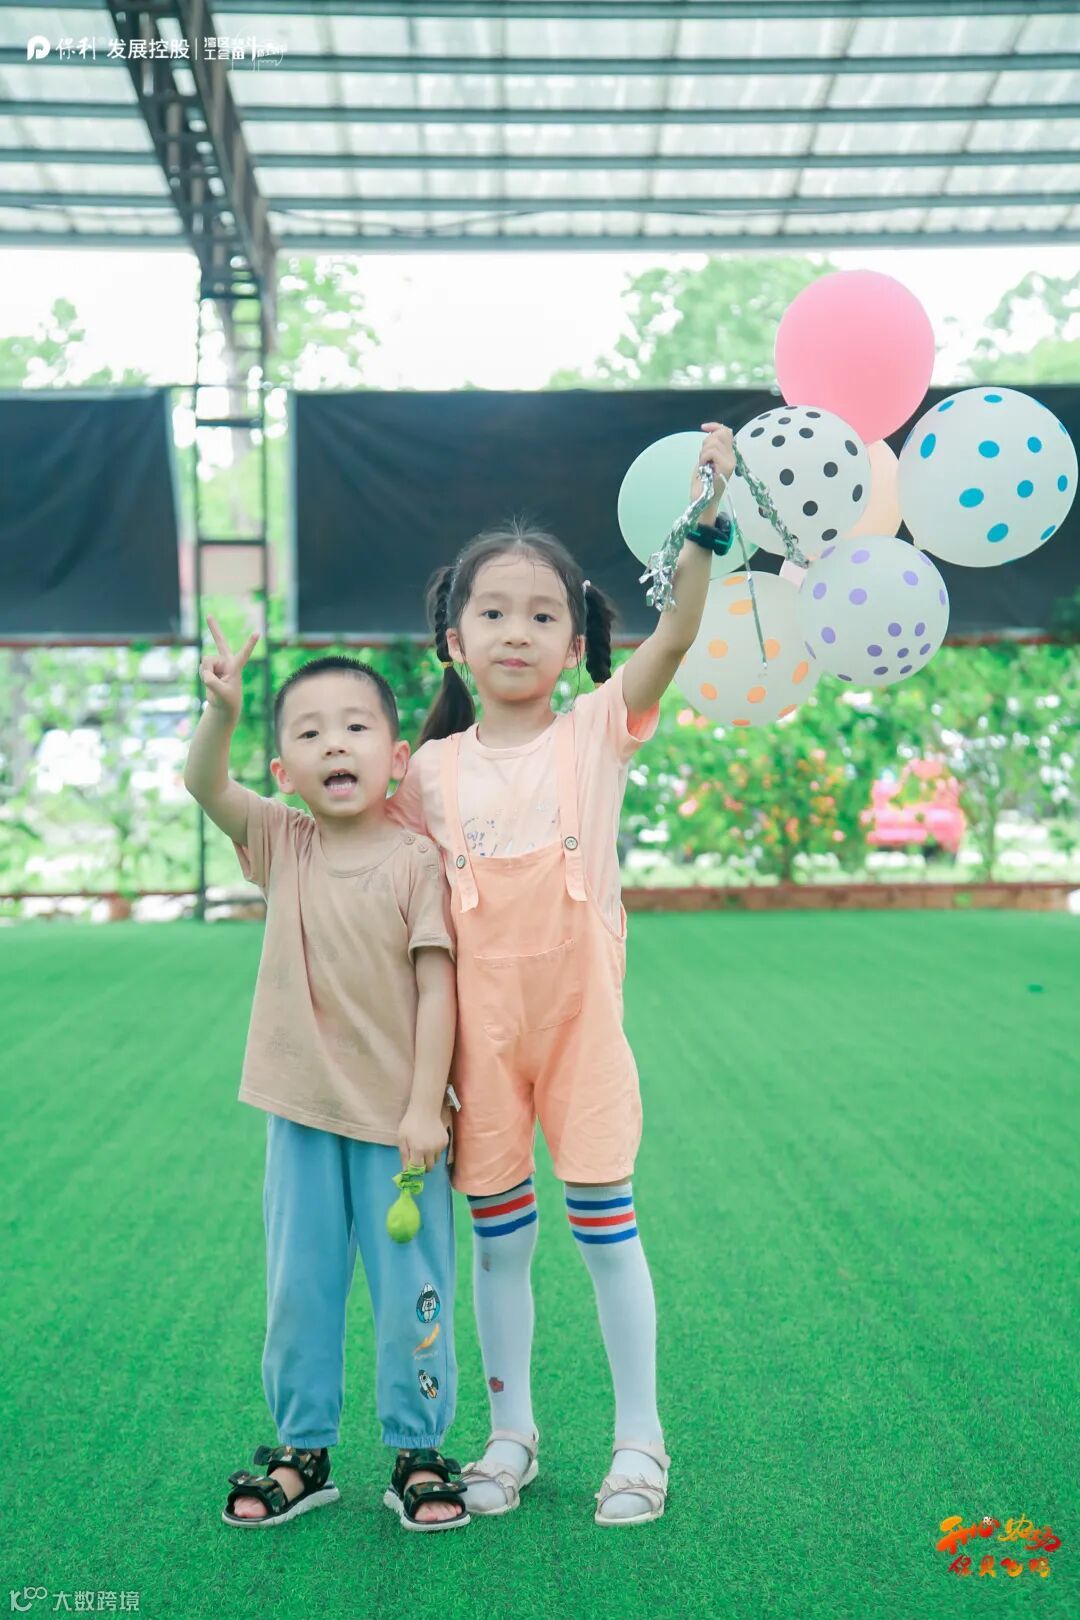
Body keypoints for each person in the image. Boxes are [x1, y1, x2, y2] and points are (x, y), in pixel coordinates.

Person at [389, 424, 735, 1526]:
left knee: (606, 1232)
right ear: (454, 640)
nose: (518, 631)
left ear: (576, 642)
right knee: (501, 1247)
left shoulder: (597, 730)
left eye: (544, 615)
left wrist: (707, 518)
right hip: (479, 1050)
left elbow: (678, 631)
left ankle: (641, 1440)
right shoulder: (426, 773)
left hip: (583, 1036)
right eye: (494, 613)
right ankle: (511, 1434)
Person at [183, 624, 469, 1532]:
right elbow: (203, 784)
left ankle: (418, 1451)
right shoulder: (282, 843)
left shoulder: (416, 861)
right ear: (283, 772)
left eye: (354, 727)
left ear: (397, 758)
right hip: (302, 1116)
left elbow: (439, 987)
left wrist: (424, 1108)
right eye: (309, 733)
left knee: (412, 1294)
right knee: (300, 1290)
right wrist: (221, 712)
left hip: (399, 1130)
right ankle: (302, 1451)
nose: (333, 744)